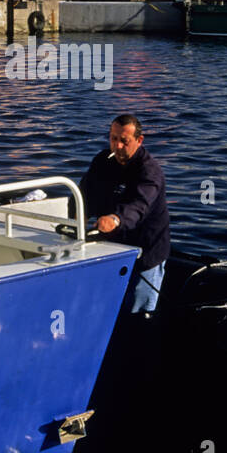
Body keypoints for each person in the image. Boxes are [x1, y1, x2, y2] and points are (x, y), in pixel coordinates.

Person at [80, 114, 170, 315]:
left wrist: (115, 219)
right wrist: (77, 217)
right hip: (110, 249)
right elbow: (85, 194)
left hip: (145, 252)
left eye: (124, 141)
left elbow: (139, 206)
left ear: (139, 141)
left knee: (138, 315)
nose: (117, 146)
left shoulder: (149, 171)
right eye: (113, 139)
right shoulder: (102, 161)